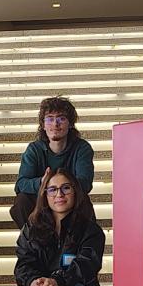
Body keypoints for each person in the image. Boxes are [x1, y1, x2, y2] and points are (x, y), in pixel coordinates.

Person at [11, 96, 95, 228]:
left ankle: (79, 239)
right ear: (43, 125)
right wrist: (43, 183)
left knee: (84, 201)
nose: (55, 124)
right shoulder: (34, 149)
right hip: (41, 202)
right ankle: (34, 238)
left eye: (61, 118)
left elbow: (85, 183)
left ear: (70, 124)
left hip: (69, 200)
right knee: (21, 202)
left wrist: (61, 186)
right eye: (50, 119)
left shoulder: (82, 148)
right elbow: (20, 184)